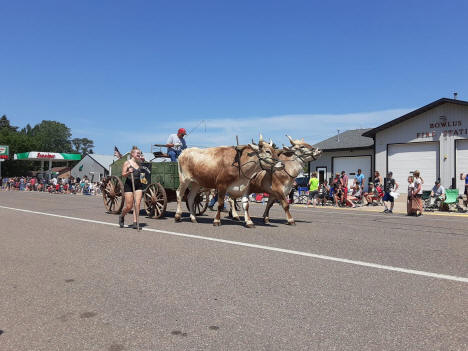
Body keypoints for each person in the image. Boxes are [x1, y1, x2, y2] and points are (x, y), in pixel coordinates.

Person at [119, 146, 144, 229]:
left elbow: (144, 169)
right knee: (129, 206)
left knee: (137, 204)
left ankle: (135, 222)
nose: (139, 154)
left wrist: (143, 159)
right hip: (129, 184)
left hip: (138, 184)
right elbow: (123, 174)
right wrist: (128, 172)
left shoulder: (140, 162)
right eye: (138, 153)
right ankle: (122, 216)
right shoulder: (127, 163)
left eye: (140, 153)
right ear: (132, 154)